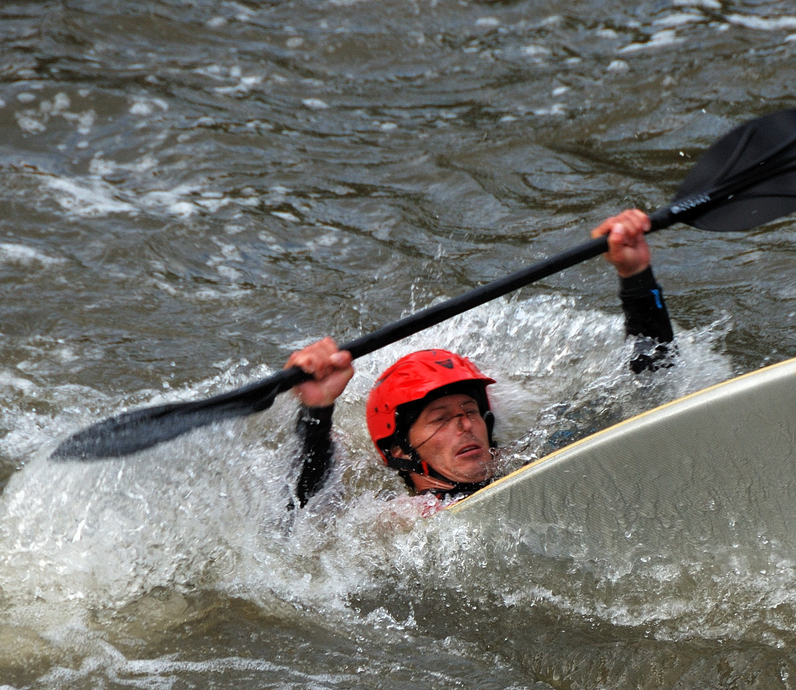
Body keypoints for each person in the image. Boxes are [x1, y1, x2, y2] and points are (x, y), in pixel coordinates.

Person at [286, 208, 674, 507]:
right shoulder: (394, 523)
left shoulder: (536, 460)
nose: (465, 426)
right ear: (401, 452)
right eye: (440, 419)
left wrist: (636, 274)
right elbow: (303, 521)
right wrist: (317, 413)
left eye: (470, 411)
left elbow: (648, 389)